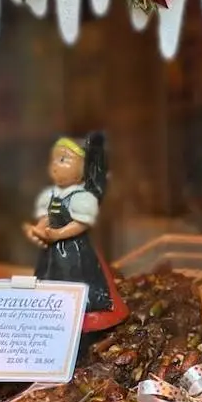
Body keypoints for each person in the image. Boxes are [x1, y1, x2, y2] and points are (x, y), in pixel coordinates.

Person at [24, 133, 127, 335]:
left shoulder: (81, 197)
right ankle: (51, 317)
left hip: (75, 252)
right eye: (53, 160)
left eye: (63, 160)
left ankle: (84, 320)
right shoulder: (51, 195)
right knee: (50, 279)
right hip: (53, 254)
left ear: (82, 170)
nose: (55, 165)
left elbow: (81, 224)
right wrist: (39, 228)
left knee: (77, 280)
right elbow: (46, 217)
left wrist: (60, 233)